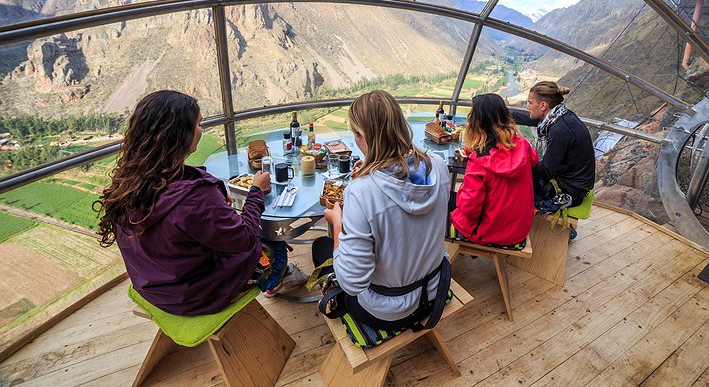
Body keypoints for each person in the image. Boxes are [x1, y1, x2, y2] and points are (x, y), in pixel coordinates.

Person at [95, 90, 275, 315]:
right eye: (199, 124)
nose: (202, 130)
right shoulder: (195, 197)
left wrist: (215, 196)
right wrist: (256, 191)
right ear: (180, 133)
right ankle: (275, 281)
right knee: (273, 244)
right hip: (196, 296)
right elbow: (245, 239)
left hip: (155, 288)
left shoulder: (130, 181)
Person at [314, 90, 450, 330]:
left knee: (321, 248)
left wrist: (338, 223)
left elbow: (352, 283)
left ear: (362, 135)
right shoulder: (438, 166)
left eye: (356, 134)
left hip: (389, 310)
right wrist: (370, 169)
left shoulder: (360, 192)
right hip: (435, 289)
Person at [449, 93, 538, 249]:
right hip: (518, 230)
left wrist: (463, 189)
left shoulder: (478, 163)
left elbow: (470, 210)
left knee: (443, 200)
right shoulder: (523, 145)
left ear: (476, 122)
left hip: (490, 232)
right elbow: (530, 158)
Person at [512, 81, 595, 210]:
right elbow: (530, 118)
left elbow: (546, 170)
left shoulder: (559, 130)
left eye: (530, 102)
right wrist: (501, 113)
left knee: (512, 186)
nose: (527, 107)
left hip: (570, 190)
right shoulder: (559, 116)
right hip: (570, 180)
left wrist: (515, 164)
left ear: (543, 105)